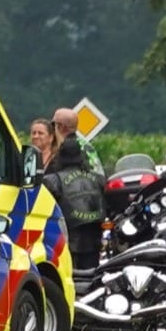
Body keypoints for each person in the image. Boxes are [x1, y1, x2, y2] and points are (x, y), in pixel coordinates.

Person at [41, 126, 106, 273]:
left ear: (60, 155)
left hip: (66, 243)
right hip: (94, 242)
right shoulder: (99, 179)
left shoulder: (52, 181)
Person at [51, 106, 103, 174]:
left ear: (61, 127)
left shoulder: (71, 149)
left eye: (53, 124)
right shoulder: (85, 145)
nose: (51, 128)